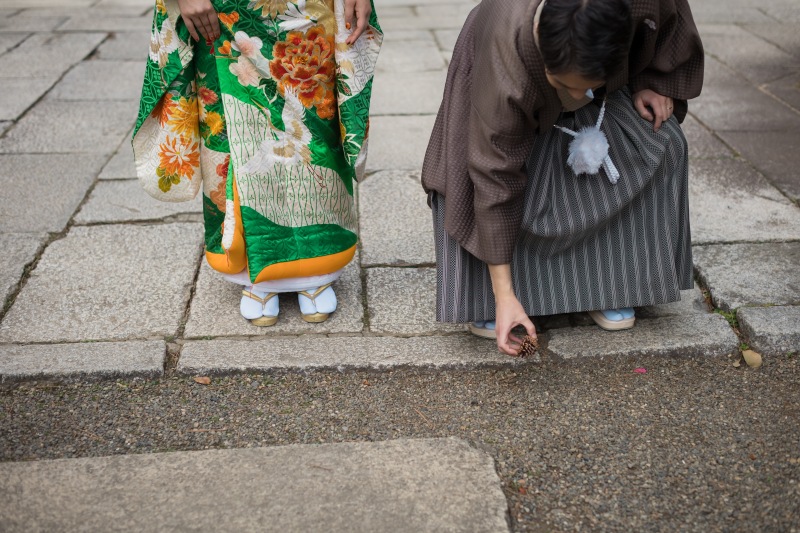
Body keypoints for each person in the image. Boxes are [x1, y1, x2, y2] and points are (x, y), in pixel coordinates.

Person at [421, 0, 704, 355]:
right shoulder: (506, 57)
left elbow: (670, 17)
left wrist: (655, 81)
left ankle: (614, 284)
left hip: (597, 61)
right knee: (473, 174)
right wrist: (504, 295)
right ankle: (495, 298)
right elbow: (495, 175)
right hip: (503, 64)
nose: (575, 95)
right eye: (562, 83)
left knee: (665, 142)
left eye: (585, 84)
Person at [133, 0, 381, 325]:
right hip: (223, 10)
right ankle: (254, 276)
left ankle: (317, 268)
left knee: (313, 126)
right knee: (234, 131)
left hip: (308, 10)